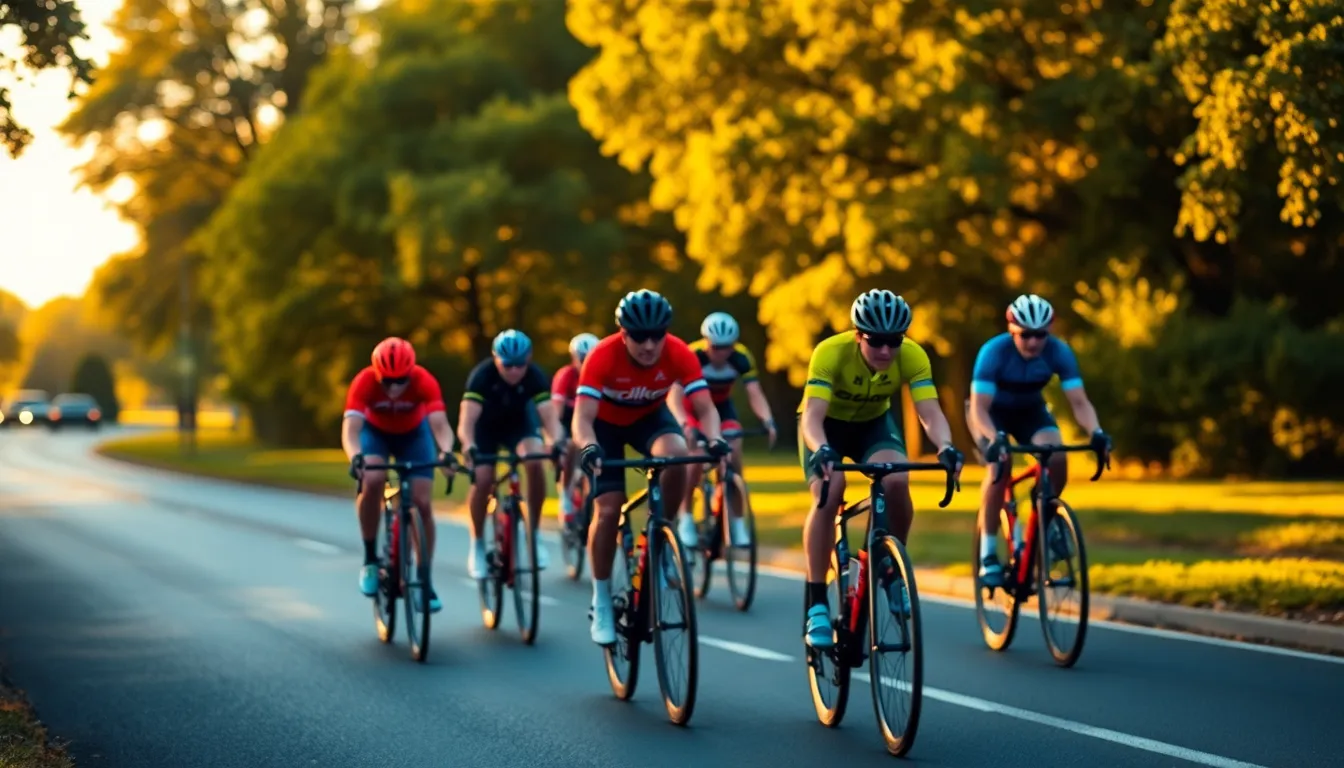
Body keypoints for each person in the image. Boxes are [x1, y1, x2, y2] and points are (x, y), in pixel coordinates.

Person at [797, 289, 964, 649]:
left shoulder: (913, 355)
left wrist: (946, 446)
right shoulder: (830, 352)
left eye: (894, 342)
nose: (886, 351)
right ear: (858, 335)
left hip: (873, 425)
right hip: (826, 430)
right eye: (876, 342)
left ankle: (887, 567)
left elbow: (929, 412)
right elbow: (812, 416)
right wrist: (822, 448)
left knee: (897, 478)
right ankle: (815, 603)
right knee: (831, 490)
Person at [573, 289, 730, 644]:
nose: (648, 345)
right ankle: (601, 600)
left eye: (656, 335)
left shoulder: (678, 352)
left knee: (676, 452)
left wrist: (715, 438)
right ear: (623, 333)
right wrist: (589, 447)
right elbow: (582, 418)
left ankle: (661, 537)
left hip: (649, 419)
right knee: (609, 509)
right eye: (639, 336)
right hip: (605, 429)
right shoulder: (602, 357)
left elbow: (704, 408)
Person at [967, 294, 1111, 587]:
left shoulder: (1059, 352)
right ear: (1012, 330)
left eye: (1040, 335)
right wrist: (995, 439)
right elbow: (979, 407)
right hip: (989, 415)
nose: (1033, 342)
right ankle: (988, 555)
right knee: (1000, 467)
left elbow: (1080, 403)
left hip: (1030, 412)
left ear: (1050, 331)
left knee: (1056, 455)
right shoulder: (993, 352)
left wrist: (1096, 432)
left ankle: (1044, 515)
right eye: (1026, 335)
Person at [342, 337, 457, 613]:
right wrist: (356, 456)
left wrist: (447, 452)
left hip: (413, 437)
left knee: (423, 502)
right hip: (375, 435)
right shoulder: (364, 381)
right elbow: (351, 429)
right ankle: (371, 559)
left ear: (411, 373)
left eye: (400, 381)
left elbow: (440, 425)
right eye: (387, 382)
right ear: (377, 375)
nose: (394, 388)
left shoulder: (423, 380)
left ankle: (424, 577)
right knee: (371, 480)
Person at [457, 329, 567, 575]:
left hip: (519, 425)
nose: (515, 371)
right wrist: (468, 445)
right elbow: (467, 421)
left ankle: (533, 534)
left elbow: (550, 418)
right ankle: (476, 543)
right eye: (508, 365)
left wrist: (557, 441)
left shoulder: (535, 376)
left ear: (528, 360)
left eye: (520, 365)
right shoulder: (482, 376)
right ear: (496, 360)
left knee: (535, 461)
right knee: (483, 478)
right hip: (486, 428)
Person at [666, 311, 777, 549]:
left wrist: (767, 420)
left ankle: (736, 523)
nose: (721, 353)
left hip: (722, 407)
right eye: (716, 347)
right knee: (695, 459)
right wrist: (685, 424)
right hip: (692, 408)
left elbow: (754, 393)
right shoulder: (691, 355)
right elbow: (674, 397)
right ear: (706, 341)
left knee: (734, 456)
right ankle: (686, 517)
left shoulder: (741, 358)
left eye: (726, 347)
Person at [551, 332, 600, 526]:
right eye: (582, 359)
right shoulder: (566, 376)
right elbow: (556, 411)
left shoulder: (599, 374)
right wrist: (556, 439)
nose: (586, 363)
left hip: (590, 420)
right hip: (566, 421)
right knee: (571, 445)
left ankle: (591, 501)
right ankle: (565, 495)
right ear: (574, 358)